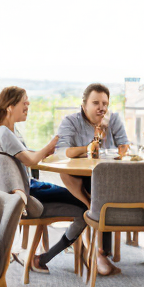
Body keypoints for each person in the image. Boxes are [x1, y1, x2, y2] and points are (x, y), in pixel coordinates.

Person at [0, 87, 118, 276]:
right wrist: (51, 146)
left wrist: (47, 152)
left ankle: (84, 250)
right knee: (85, 207)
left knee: (84, 199)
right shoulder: (5, 134)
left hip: (22, 190)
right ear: (9, 107)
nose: (28, 106)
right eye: (24, 102)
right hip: (28, 194)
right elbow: (30, 160)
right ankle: (47, 257)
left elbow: (26, 154)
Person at [53, 83, 132, 275]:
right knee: (95, 196)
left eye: (105, 103)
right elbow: (61, 151)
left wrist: (118, 148)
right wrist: (90, 146)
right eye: (96, 103)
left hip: (111, 178)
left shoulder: (113, 119)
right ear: (84, 105)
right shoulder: (71, 121)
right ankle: (98, 251)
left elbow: (124, 146)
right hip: (81, 178)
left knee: (104, 192)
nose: (101, 108)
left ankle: (98, 250)